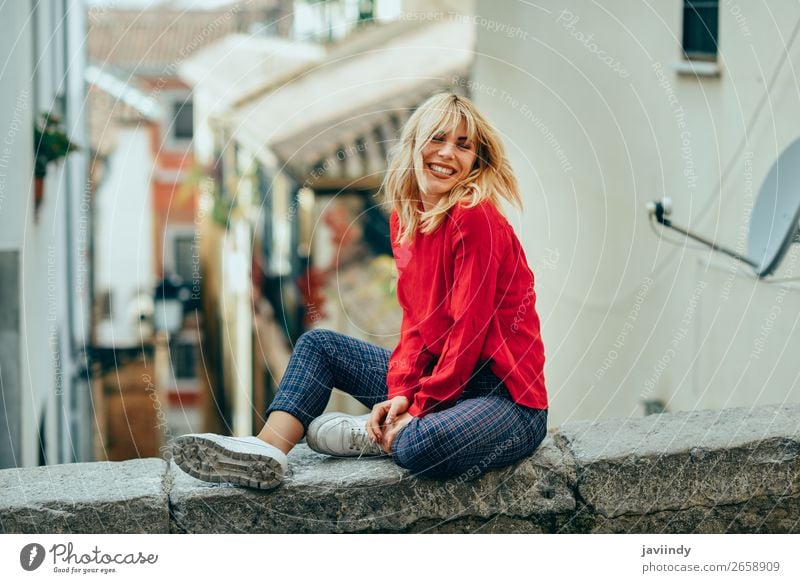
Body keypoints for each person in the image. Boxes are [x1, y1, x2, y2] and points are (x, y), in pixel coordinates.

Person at [171, 92, 548, 489]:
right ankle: (267, 451)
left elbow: (468, 330)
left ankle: (378, 435)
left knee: (420, 445)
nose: (448, 153)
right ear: (414, 145)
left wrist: (419, 407)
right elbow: (417, 330)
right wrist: (403, 393)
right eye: (437, 138)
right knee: (320, 347)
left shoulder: (475, 217)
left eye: (463, 144)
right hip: (441, 383)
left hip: (505, 400)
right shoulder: (407, 223)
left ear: (477, 160)